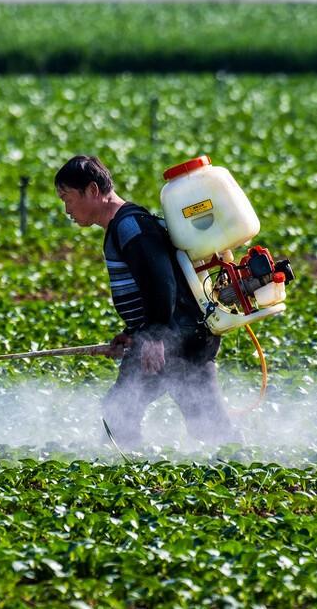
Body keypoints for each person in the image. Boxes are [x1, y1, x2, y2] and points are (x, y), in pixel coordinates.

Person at [55, 155, 240, 449]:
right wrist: (133, 333)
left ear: (92, 190)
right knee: (208, 425)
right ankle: (239, 462)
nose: (66, 209)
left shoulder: (130, 228)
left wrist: (153, 337)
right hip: (184, 335)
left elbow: (161, 282)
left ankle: (127, 475)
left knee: (118, 412)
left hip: (172, 339)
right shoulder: (125, 226)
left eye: (67, 198)